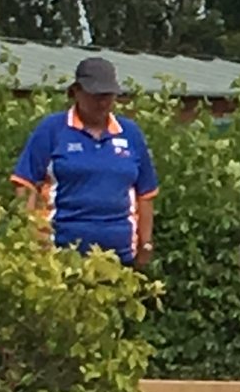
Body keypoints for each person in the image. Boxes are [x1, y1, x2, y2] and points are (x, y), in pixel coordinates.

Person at [10, 57, 158, 265]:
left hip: (120, 261)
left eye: (108, 95)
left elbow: (146, 193)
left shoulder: (130, 133)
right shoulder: (52, 129)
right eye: (95, 95)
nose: (103, 102)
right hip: (60, 258)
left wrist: (146, 244)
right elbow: (25, 184)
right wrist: (33, 237)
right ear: (77, 92)